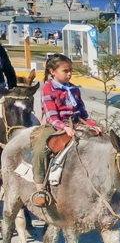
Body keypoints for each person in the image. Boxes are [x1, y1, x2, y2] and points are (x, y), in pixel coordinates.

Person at [30, 54, 102, 208]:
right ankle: (40, 189)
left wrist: (93, 125)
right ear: (52, 71)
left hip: (77, 123)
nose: (69, 74)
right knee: (40, 151)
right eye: (65, 71)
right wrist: (64, 128)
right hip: (56, 126)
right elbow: (51, 116)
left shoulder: (74, 89)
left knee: (103, 141)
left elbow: (83, 113)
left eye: (71, 71)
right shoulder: (48, 88)